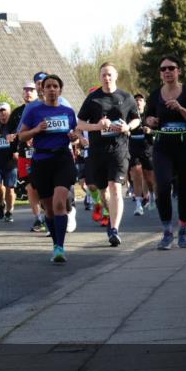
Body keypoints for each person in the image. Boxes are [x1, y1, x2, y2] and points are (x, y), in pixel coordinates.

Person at [75, 63, 141, 247]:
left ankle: (114, 229)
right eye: (103, 75)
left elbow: (136, 118)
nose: (107, 78)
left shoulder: (126, 97)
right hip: (98, 151)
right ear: (100, 77)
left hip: (119, 149)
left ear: (116, 75)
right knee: (103, 191)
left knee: (115, 187)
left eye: (110, 74)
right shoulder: (93, 98)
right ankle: (108, 214)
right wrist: (97, 126)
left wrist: (128, 127)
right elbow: (80, 123)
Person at [143, 54, 186, 249]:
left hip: (185, 146)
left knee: (184, 191)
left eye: (171, 68)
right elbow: (148, 117)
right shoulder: (155, 94)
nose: (167, 71)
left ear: (178, 71)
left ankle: (183, 230)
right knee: (162, 188)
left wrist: (180, 108)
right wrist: (150, 121)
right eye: (163, 69)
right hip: (162, 147)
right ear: (160, 73)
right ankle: (167, 232)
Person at [17, 75, 78, 264]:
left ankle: (60, 247)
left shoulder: (68, 112)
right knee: (49, 209)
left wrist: (74, 137)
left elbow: (75, 135)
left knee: (60, 202)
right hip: (41, 160)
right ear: (42, 90)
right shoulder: (34, 111)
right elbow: (21, 136)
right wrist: (36, 130)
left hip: (62, 158)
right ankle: (55, 243)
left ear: (60, 90)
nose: (52, 89)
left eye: (55, 86)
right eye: (48, 86)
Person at [9, 81, 46, 232]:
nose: (28, 92)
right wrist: (13, 147)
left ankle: (47, 214)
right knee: (30, 187)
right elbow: (11, 132)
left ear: (37, 92)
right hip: (25, 153)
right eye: (25, 90)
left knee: (43, 185)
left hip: (42, 151)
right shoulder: (17, 112)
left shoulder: (43, 108)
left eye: (31, 90)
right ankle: (38, 218)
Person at [128, 93, 156, 216]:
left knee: (149, 177)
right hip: (133, 147)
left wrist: (151, 131)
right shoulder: (129, 115)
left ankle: (151, 194)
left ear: (144, 103)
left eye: (140, 100)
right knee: (136, 174)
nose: (138, 102)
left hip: (147, 148)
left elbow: (159, 130)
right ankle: (138, 205)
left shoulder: (149, 115)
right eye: (136, 100)